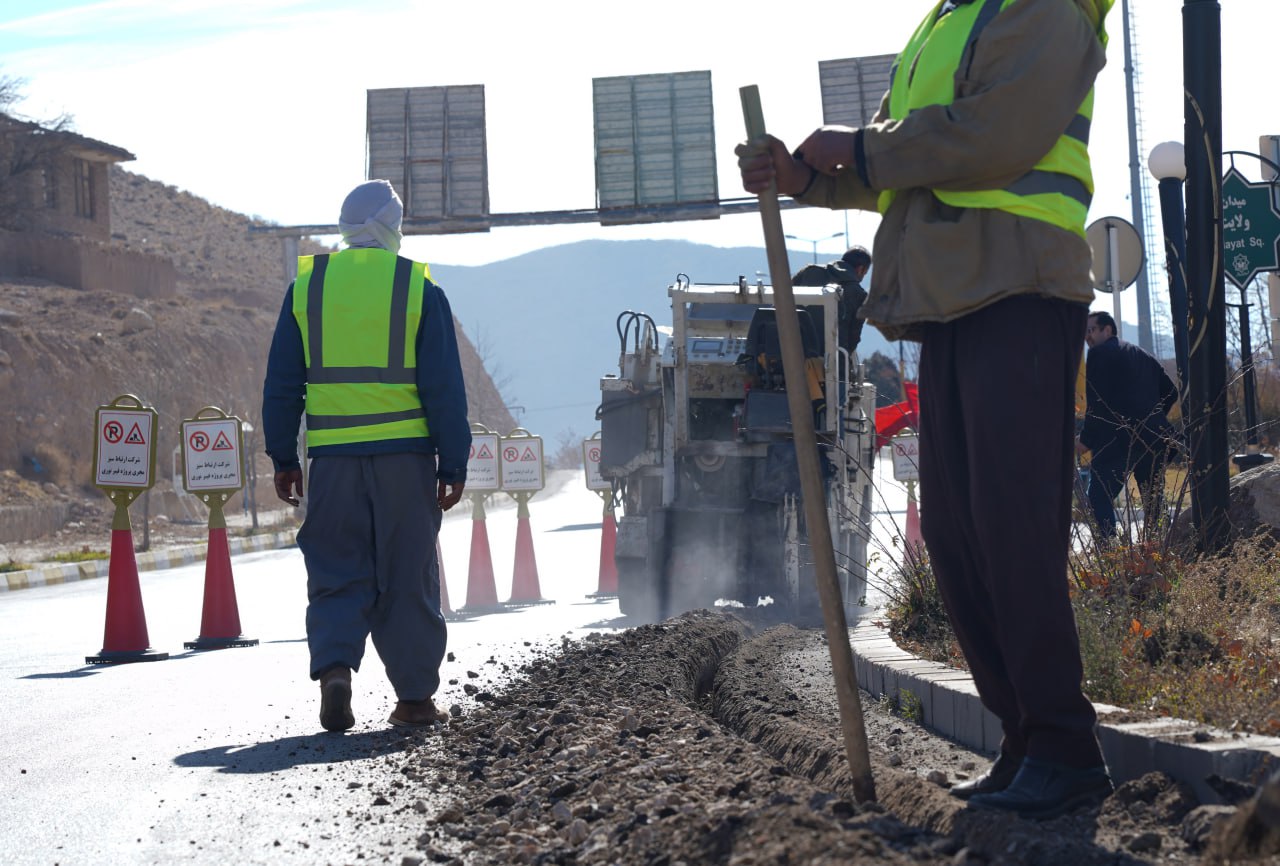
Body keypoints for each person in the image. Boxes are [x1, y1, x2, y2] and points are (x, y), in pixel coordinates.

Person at [737, 0, 1115, 819]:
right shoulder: (951, 20)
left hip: (1020, 285)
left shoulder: (1044, 10)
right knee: (956, 530)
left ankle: (1064, 743)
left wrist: (864, 147)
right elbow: (906, 172)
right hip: (949, 295)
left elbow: (993, 136)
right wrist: (810, 180)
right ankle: (1024, 737)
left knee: (1013, 525)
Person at [262, 179, 471, 733]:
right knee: (407, 574)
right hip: (405, 461)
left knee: (334, 567)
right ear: (390, 227)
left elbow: (283, 382)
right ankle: (413, 699)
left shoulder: (308, 288)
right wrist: (453, 463)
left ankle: (336, 670)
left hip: (331, 462)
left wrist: (283, 456)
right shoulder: (416, 288)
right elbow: (444, 387)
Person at [1077, 310, 1178, 539]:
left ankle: (1110, 553)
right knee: (1153, 499)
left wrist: (1085, 440)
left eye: (1091, 330)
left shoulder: (1099, 354)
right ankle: (1161, 549)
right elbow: (1171, 392)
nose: (1087, 337)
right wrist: (1150, 417)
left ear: (1108, 330)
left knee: (1099, 496)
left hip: (1117, 441)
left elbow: (1097, 403)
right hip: (1153, 438)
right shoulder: (1143, 355)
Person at [792, 245, 871, 359]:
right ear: (860, 269)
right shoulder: (859, 294)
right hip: (833, 361)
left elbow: (782, 301)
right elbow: (853, 337)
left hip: (793, 352)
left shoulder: (808, 272)